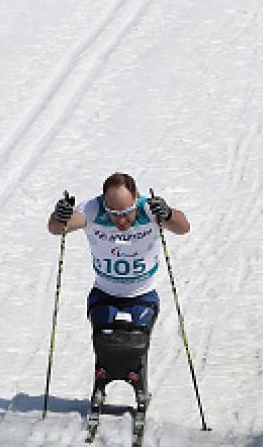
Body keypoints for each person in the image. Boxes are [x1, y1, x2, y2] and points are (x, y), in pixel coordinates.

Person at [47, 173, 190, 403]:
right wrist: (59, 216)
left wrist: (169, 213)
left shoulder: (148, 210)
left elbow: (183, 227)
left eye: (126, 213)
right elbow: (57, 228)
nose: (121, 220)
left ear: (136, 198)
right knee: (103, 344)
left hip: (142, 294)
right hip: (104, 293)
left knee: (137, 345)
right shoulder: (93, 209)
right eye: (113, 214)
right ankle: (101, 382)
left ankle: (140, 385)